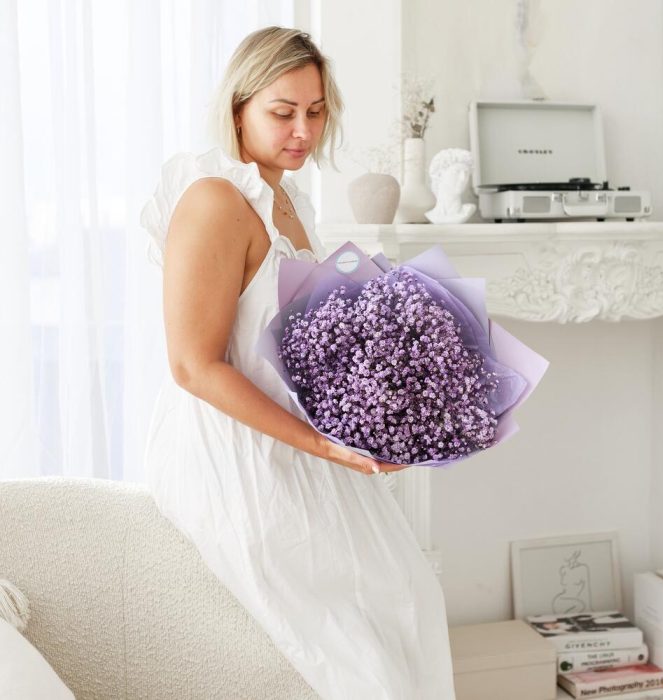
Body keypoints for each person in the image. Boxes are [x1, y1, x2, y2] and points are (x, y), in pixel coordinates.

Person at [140, 25, 456, 699]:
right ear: (238, 109)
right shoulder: (214, 199)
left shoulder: (290, 201)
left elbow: (293, 341)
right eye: (282, 112)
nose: (303, 131)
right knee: (361, 648)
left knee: (411, 593)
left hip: (294, 432)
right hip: (230, 446)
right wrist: (322, 444)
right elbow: (193, 366)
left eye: (315, 112)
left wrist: (380, 405)